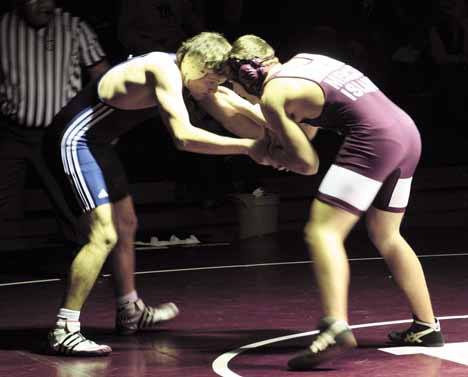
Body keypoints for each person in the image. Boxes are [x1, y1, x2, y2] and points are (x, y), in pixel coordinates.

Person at [220, 34, 444, 370]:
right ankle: (427, 326)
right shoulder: (305, 61)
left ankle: (336, 324)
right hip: (405, 133)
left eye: (234, 85)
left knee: (322, 231)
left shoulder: (271, 95)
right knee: (387, 234)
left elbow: (307, 163)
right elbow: (305, 130)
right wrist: (260, 123)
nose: (236, 91)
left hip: (374, 140)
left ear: (246, 77)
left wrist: (266, 154)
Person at [45, 31, 267, 356]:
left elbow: (231, 103)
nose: (211, 90)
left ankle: (129, 309)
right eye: (211, 82)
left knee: (126, 225)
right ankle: (65, 328)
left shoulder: (184, 72)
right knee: (103, 235)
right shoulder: (163, 69)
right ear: (200, 66)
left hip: (98, 145)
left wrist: (277, 128)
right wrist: (249, 148)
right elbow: (183, 137)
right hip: (73, 141)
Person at [0, 0, 109, 244]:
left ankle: (82, 264)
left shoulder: (74, 26)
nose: (44, 5)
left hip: (58, 135)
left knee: (68, 202)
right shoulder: (3, 27)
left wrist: (104, 122)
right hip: (12, 132)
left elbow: (102, 76)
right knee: (3, 204)